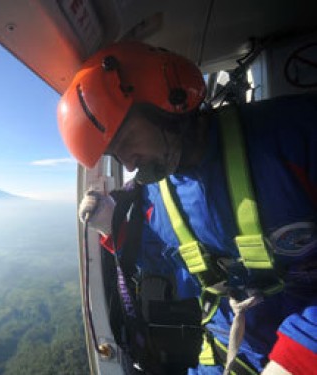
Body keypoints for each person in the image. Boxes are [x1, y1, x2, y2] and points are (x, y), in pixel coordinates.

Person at [57, 41, 316, 374]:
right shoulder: (158, 198)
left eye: (125, 142)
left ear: (165, 98)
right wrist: (117, 229)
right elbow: (173, 265)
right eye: (115, 156)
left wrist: (302, 354)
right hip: (233, 355)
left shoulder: (295, 133)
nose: (129, 162)